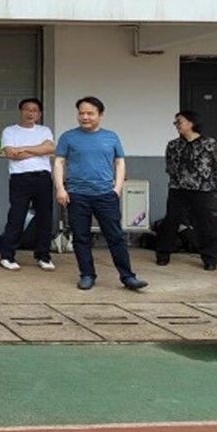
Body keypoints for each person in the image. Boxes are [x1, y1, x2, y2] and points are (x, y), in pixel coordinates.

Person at [54, 96, 147, 292]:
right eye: (81, 113)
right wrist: (60, 188)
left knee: (115, 237)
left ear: (100, 115)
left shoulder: (111, 137)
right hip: (77, 194)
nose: (85, 117)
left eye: (90, 113)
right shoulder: (68, 137)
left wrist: (117, 189)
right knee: (81, 237)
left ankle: (128, 277)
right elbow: (59, 162)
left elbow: (119, 162)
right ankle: (87, 275)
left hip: (105, 194)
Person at [157, 110, 217, 270]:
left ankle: (209, 258)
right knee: (171, 221)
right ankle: (163, 254)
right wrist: (178, 179)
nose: (176, 125)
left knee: (204, 223)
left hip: (201, 189)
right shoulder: (173, 145)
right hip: (177, 188)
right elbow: (169, 166)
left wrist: (207, 180)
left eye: (179, 122)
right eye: (175, 122)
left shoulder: (210, 144)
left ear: (191, 123)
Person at [0, 97, 56, 271]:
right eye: (27, 109)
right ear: (21, 111)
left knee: (44, 218)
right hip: (20, 178)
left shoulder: (45, 130)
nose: (30, 113)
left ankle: (43, 256)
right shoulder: (10, 131)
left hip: (43, 177)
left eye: (34, 110)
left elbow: (50, 148)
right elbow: (11, 154)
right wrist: (38, 149)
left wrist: (24, 148)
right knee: (17, 217)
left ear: (39, 114)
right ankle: (7, 256)